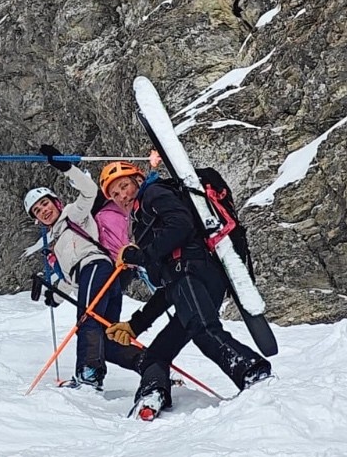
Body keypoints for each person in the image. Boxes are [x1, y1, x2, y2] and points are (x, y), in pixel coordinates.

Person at [100, 160, 271, 419]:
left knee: (204, 331)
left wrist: (141, 256)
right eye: (114, 194)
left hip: (194, 272)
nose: (122, 195)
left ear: (138, 179)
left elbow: (181, 225)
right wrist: (135, 325)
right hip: (188, 280)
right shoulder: (141, 215)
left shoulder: (152, 193)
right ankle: (152, 391)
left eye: (124, 186)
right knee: (155, 355)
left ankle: (253, 371)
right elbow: (169, 287)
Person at [23, 149, 146, 391]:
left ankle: (88, 375)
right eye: (37, 210)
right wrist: (55, 296)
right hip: (98, 278)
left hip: (97, 267)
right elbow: (70, 279)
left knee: (87, 320)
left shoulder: (73, 214)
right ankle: (151, 364)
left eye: (45, 203)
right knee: (108, 338)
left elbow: (89, 190)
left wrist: (67, 168)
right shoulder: (56, 242)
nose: (44, 210)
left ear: (56, 202)